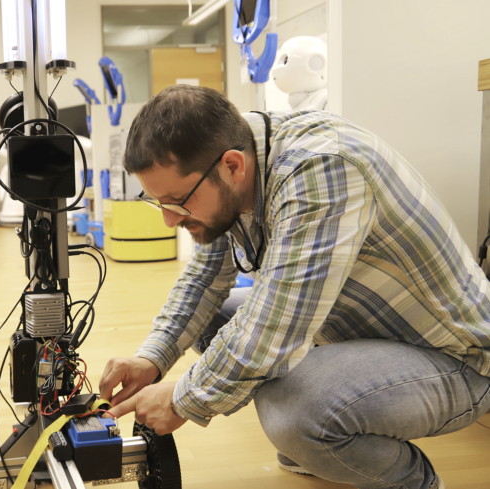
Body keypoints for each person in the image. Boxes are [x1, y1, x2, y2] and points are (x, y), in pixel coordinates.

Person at [99, 85, 490, 489]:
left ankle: (408, 480)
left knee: (292, 411)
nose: (169, 219)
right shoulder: (237, 156)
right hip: (359, 332)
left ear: (233, 166)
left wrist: (183, 398)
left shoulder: (322, 170)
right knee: (216, 320)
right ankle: (327, 440)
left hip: (458, 357)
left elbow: (271, 329)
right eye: (158, 200)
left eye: (177, 201)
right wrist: (152, 359)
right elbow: (202, 281)